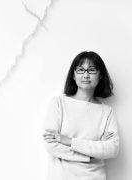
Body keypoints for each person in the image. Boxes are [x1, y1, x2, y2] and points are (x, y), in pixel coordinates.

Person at [42, 51, 120, 180]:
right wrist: (91, 154)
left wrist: (69, 141)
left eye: (91, 70)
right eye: (80, 70)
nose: (86, 75)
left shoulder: (106, 111)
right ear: (73, 75)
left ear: (100, 75)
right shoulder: (58, 103)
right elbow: (51, 146)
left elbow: (112, 149)